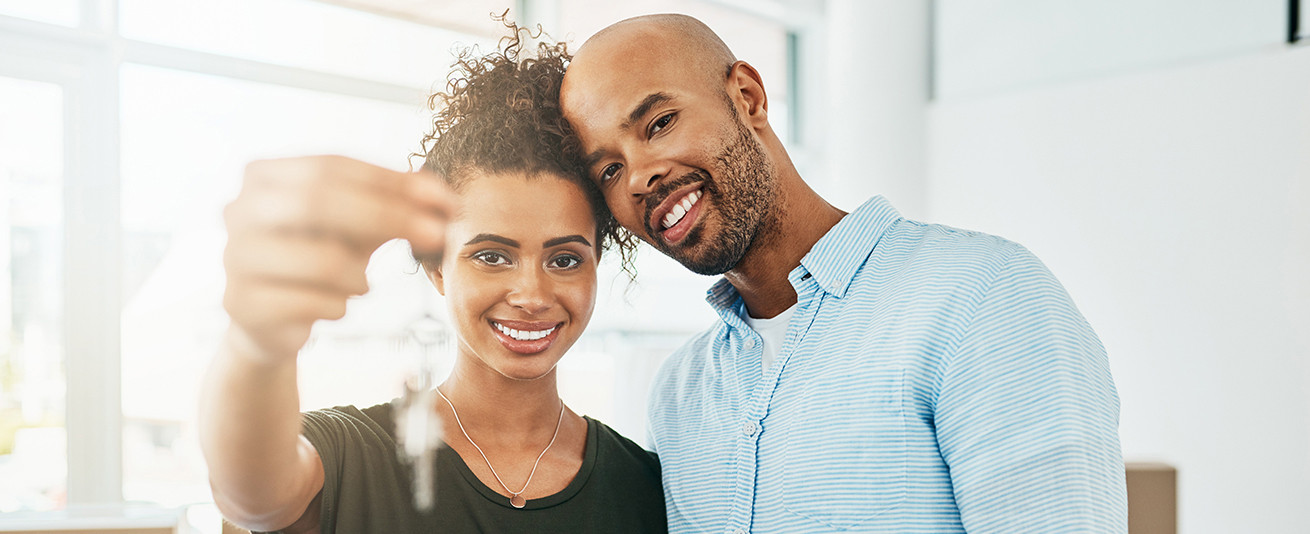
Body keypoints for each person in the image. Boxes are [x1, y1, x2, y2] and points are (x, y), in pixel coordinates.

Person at [558, 13, 1127, 533]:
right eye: (609, 168)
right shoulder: (679, 395)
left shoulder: (985, 298)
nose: (637, 180)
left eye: (659, 123)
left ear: (748, 98)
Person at [200, 27, 665, 533]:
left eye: (565, 260)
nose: (532, 295)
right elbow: (252, 497)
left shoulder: (641, 484)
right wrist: (256, 346)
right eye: (492, 255)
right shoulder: (351, 455)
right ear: (437, 267)